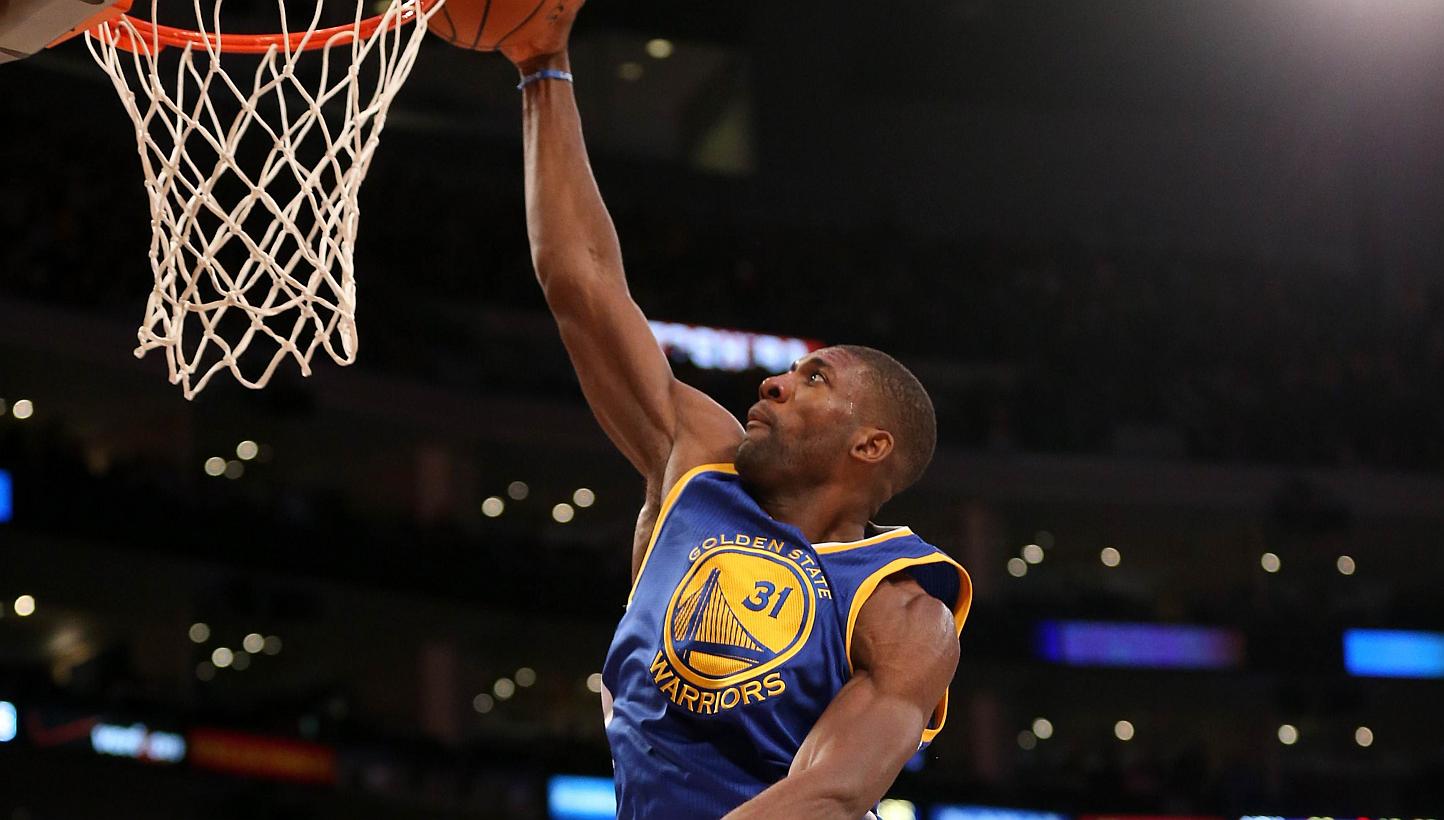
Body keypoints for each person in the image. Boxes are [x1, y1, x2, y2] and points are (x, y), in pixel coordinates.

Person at [502, 4, 972, 817]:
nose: (774, 385)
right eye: (788, 373)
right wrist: (543, 67)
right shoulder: (698, 464)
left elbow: (830, 794)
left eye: (815, 380)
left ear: (870, 445)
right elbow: (579, 281)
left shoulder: (901, 611)